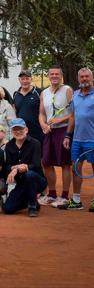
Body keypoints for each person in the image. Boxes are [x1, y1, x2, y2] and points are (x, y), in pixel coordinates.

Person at [58, 67, 94, 211]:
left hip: (92, 140)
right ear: (79, 79)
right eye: (82, 77)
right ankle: (77, 201)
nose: (84, 79)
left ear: (91, 78)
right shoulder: (77, 95)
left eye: (87, 76)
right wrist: (68, 135)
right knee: (75, 169)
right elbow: (72, 116)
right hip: (77, 140)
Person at [38, 65, 74, 207]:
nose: (54, 76)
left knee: (65, 163)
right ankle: (52, 194)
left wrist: (59, 120)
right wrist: (43, 124)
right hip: (49, 132)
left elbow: (73, 113)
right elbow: (42, 113)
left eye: (56, 74)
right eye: (51, 74)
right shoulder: (44, 93)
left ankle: (64, 196)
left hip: (63, 130)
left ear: (61, 75)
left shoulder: (68, 90)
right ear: (48, 76)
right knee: (46, 163)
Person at [4, 118, 47, 217]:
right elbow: (8, 166)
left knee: (29, 174)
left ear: (26, 129)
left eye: (21, 129)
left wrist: (18, 169)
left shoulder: (35, 143)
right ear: (11, 131)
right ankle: (32, 199)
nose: (18, 132)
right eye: (15, 129)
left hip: (38, 181)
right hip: (21, 184)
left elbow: (35, 165)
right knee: (8, 208)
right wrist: (15, 168)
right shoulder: (9, 146)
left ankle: (32, 206)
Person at [13, 70, 43, 144]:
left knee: (39, 155)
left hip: (37, 131)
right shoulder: (16, 94)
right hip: (21, 132)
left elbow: (44, 111)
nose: (25, 81)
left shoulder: (39, 92)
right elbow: (15, 111)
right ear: (19, 80)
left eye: (27, 79)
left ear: (31, 79)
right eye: (22, 79)